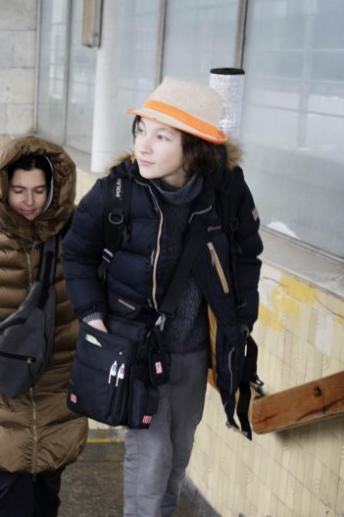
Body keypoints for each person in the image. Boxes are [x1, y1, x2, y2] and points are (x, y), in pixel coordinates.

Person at [61, 77, 263, 516]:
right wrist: (92, 313)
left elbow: (248, 254)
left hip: (194, 351)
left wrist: (242, 319)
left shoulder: (226, 194)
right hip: (137, 347)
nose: (143, 146)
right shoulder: (116, 191)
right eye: (141, 130)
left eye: (161, 136)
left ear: (195, 149)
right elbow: (76, 252)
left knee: (178, 454)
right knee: (150, 463)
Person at [0, 137, 88, 517]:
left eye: (40, 190)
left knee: (46, 499)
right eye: (19, 190)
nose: (29, 201)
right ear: (2, 187)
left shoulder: (74, 229)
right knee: (8, 501)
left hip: (57, 382)